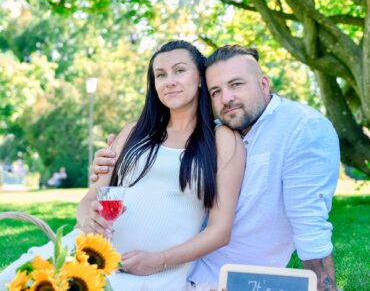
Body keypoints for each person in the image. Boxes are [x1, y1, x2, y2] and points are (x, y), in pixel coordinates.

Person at [0, 41, 245, 291]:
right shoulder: (133, 132)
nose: (169, 81)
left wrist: (159, 261)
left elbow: (220, 230)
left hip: (154, 275)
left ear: (201, 78)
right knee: (10, 280)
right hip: (90, 255)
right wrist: (87, 222)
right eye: (160, 75)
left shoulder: (222, 140)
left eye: (179, 70)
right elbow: (90, 198)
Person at [93, 45, 340, 291]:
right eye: (216, 91)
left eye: (237, 85)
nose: (227, 98)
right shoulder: (212, 132)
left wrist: (326, 288)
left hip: (230, 281)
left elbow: (310, 226)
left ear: (263, 84)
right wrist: (110, 164)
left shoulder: (303, 128)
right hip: (173, 271)